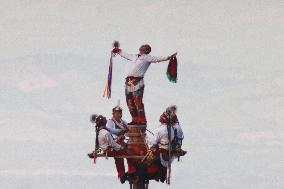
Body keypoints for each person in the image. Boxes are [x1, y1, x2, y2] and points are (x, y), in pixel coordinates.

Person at [112, 44, 177, 125]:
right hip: (129, 82)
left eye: (144, 47)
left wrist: (168, 57)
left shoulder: (147, 57)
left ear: (146, 50)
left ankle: (142, 120)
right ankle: (135, 119)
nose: (141, 47)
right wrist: (119, 51)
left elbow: (158, 59)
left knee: (138, 101)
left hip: (138, 82)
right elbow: (126, 55)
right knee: (129, 101)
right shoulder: (135, 56)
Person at [88, 114, 129, 184]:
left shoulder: (101, 131)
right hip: (110, 150)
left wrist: (122, 131)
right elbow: (113, 144)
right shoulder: (105, 133)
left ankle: (122, 175)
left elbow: (113, 131)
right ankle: (128, 172)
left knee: (119, 157)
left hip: (106, 149)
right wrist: (122, 148)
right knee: (127, 153)